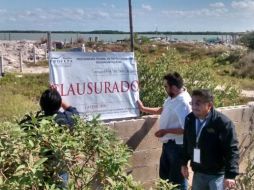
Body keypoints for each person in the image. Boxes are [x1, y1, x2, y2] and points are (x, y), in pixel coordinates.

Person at [137, 72, 191, 190]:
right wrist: (143, 108)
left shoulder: (183, 102)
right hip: (168, 144)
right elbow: (162, 109)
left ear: (174, 87)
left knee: (177, 180)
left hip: (178, 147)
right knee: (165, 176)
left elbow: (186, 129)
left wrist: (165, 131)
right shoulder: (173, 97)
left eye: (166, 86)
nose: (165, 89)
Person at [181, 89, 239, 190]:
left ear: (209, 105)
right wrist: (183, 163)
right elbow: (186, 143)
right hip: (199, 172)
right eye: (192, 103)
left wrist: (230, 175)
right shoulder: (189, 119)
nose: (194, 107)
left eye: (198, 104)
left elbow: (232, 149)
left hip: (217, 175)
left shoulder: (223, 123)